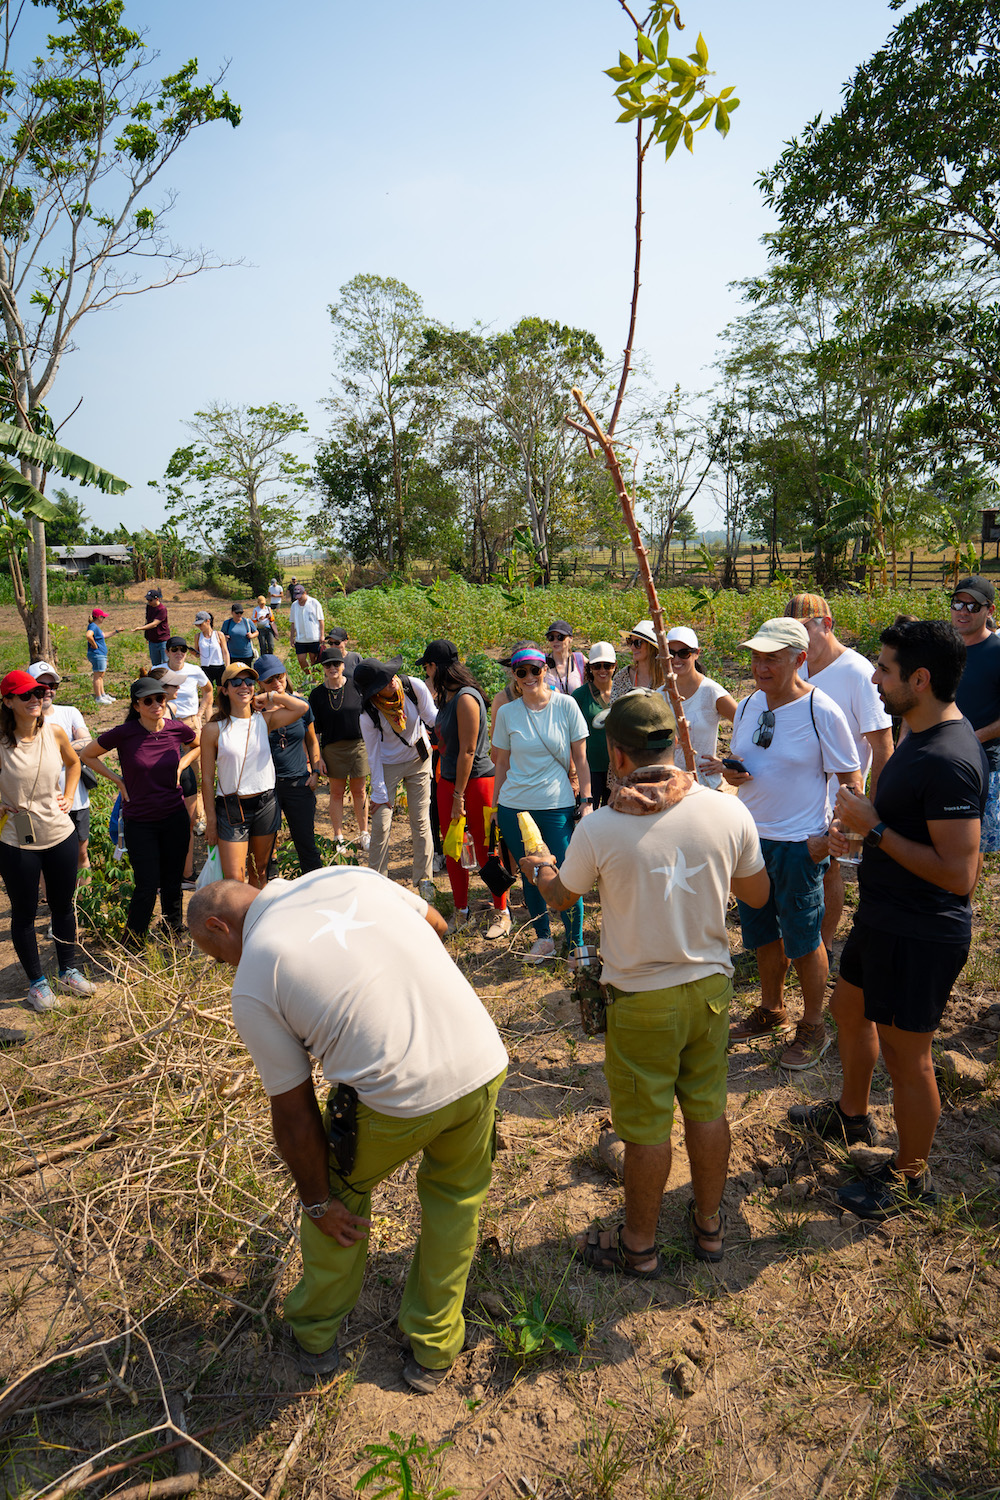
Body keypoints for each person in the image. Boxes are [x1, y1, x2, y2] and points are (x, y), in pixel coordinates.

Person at [187, 869, 507, 1391]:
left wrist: (316, 1200)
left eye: (219, 958)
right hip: (481, 1060)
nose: (228, 968)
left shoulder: (255, 977)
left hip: (399, 1093)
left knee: (337, 1197)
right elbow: (438, 924)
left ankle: (315, 1336)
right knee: (455, 1201)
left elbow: (294, 1113)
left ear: (219, 927)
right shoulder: (347, 875)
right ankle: (434, 1347)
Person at [521, 690, 768, 1270]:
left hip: (640, 999)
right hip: (710, 991)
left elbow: (561, 898)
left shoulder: (600, 829)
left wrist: (541, 868)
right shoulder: (727, 812)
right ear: (674, 744)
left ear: (617, 755)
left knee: (647, 1128)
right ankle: (710, 1228)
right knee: (707, 1110)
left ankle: (639, 1246)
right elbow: (757, 895)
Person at [790, 620, 986, 1220]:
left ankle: (909, 1179)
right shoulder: (914, 734)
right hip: (884, 916)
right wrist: (860, 831)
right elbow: (903, 825)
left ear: (919, 680)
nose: (873, 678)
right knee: (849, 1011)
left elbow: (960, 874)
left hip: (920, 931)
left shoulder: (949, 759)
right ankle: (851, 1115)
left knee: (908, 1060)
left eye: (884, 669)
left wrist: (874, 829)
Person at [723, 618, 861, 1071]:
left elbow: (852, 780)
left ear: (799, 659)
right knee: (762, 933)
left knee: (803, 939)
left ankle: (814, 1024)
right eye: (756, 658)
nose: (760, 668)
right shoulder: (747, 705)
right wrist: (734, 774)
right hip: (750, 842)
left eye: (772, 659)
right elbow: (746, 762)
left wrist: (833, 839)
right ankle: (772, 1010)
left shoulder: (822, 710)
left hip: (798, 845)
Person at [786, 594, 894, 955]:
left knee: (832, 867)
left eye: (804, 629)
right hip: (800, 796)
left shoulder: (857, 672)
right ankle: (798, 944)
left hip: (844, 797)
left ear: (827, 625)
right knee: (800, 865)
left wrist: (871, 809)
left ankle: (826, 945)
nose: (798, 640)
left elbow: (882, 746)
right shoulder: (797, 666)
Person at [0, 669, 94, 1010]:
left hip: (59, 832)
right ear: (8, 702)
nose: (35, 699)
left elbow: (74, 763)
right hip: (17, 840)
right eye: (26, 695)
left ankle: (68, 970)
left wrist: (69, 795)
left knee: (63, 905)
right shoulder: (1, 742)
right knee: (25, 913)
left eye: (38, 693)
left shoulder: (54, 732)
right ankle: (37, 984)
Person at [491, 643, 591, 962]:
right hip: (514, 805)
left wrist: (587, 799)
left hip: (556, 803)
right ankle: (543, 938)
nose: (529, 677)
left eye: (535, 670)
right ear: (515, 676)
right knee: (530, 873)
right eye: (521, 672)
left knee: (566, 873)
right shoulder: (507, 712)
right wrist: (495, 806)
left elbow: (581, 759)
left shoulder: (566, 705)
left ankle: (575, 944)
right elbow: (501, 763)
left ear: (545, 670)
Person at [81, 676, 198, 946]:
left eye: (160, 698)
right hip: (140, 821)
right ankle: (133, 942)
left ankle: (173, 931)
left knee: (172, 880)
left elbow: (198, 744)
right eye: (148, 701)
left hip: (174, 816)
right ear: (136, 706)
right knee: (146, 885)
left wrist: (182, 765)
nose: (156, 704)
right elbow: (87, 755)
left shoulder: (176, 729)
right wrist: (118, 780)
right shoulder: (125, 733)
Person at [419, 638, 510, 939]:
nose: (426, 673)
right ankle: (461, 911)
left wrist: (458, 795)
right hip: (450, 782)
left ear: (435, 666)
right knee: (453, 848)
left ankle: (502, 911)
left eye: (427, 667)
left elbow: (469, 751)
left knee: (486, 849)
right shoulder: (447, 696)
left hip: (475, 783)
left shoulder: (466, 698)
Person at [200, 664, 309, 887]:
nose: (244, 686)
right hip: (231, 807)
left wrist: (269, 696)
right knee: (234, 878)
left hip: (265, 804)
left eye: (249, 682)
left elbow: (301, 708)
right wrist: (211, 820)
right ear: (224, 689)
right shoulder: (213, 729)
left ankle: (257, 910)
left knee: (260, 871)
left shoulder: (264, 720)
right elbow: (207, 780)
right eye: (236, 682)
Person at [356, 657, 438, 900]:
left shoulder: (413, 688)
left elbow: (433, 719)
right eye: (383, 681)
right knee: (381, 824)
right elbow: (373, 755)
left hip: (418, 759)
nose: (391, 680)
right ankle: (377, 881)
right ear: (373, 692)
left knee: (421, 821)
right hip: (387, 765)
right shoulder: (368, 714)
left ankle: (424, 880)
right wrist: (379, 792)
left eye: (390, 674)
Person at [950, 575, 1000, 883]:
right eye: (958, 604)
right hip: (936, 759)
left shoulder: (997, 652)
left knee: (971, 842)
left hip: (980, 764)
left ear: (989, 610)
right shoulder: (943, 648)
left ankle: (963, 906)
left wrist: (969, 739)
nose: (963, 612)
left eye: (973, 606)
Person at [255, 654, 324, 875]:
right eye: (270, 680)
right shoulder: (255, 711)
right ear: (260, 684)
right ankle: (268, 888)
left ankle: (315, 886)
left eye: (280, 676)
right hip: (267, 787)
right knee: (265, 849)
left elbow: (312, 740)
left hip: (298, 783)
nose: (277, 683)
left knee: (306, 844)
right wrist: (269, 699)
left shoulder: (300, 705)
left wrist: (315, 771)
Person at [26, 661, 92, 869]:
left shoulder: (70, 712)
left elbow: (87, 743)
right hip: (31, 805)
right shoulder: (20, 721)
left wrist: (50, 751)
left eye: (52, 686)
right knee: (35, 855)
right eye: (40, 686)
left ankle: (81, 891)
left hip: (74, 800)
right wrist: (69, 750)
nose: (47, 691)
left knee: (81, 853)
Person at [149, 667, 208, 890]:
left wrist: (183, 763)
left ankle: (188, 874)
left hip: (184, 777)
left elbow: (197, 744)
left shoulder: (173, 710)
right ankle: (161, 876)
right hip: (158, 781)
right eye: (173, 684)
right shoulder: (144, 720)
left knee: (188, 824)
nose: (179, 687)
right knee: (161, 826)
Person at [309, 648, 369, 850]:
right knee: (336, 793)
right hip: (333, 748)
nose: (332, 668)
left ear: (343, 665)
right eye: (328, 665)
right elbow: (315, 731)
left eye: (336, 664)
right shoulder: (317, 694)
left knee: (360, 790)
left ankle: (364, 832)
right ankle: (338, 836)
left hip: (358, 745)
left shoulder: (356, 686)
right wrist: (318, 757)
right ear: (323, 668)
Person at [664, 627, 738, 790]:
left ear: (696, 653)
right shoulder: (660, 695)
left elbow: (746, 723)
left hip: (706, 787)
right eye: (671, 653)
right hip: (672, 789)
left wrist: (727, 763)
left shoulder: (711, 692)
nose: (676, 659)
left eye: (684, 653)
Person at [572, 643, 617, 807]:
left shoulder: (622, 692)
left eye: (607, 665)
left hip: (617, 768)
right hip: (589, 769)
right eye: (597, 666)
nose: (602, 670)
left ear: (615, 666)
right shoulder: (580, 696)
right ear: (590, 668)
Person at [611, 619, 667, 701]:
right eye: (630, 641)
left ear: (651, 646)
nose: (632, 647)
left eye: (638, 643)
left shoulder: (667, 678)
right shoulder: (622, 677)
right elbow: (613, 707)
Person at [544, 620, 586, 695]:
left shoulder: (580, 660)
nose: (555, 641)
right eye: (551, 637)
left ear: (570, 639)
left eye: (560, 637)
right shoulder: (542, 662)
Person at [289, 582, 325, 670]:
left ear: (305, 593)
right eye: (296, 597)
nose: (298, 599)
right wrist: (291, 637)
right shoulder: (294, 605)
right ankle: (308, 675)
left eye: (300, 596)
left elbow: (321, 620)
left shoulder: (314, 603)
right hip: (300, 638)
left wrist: (322, 635)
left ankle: (314, 677)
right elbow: (293, 622)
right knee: (301, 660)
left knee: (314, 660)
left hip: (313, 637)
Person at [191, 610, 229, 687]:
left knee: (221, 691)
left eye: (201, 624)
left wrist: (228, 667)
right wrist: (193, 653)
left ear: (208, 621)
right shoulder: (197, 636)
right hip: (205, 667)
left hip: (219, 666)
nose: (199, 627)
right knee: (208, 691)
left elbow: (225, 652)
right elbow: (198, 654)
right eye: (197, 625)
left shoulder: (219, 635)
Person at [86, 607, 115, 705]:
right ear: (98, 617)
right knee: (98, 676)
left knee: (101, 676)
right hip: (97, 654)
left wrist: (116, 631)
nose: (103, 619)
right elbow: (88, 635)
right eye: (103, 617)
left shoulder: (95, 627)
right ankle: (99, 697)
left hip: (100, 654)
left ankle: (103, 694)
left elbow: (104, 635)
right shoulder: (93, 626)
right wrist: (94, 645)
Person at [139, 587, 170, 667]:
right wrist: (147, 635)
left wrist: (140, 628)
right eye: (147, 600)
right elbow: (148, 620)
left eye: (150, 600)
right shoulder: (149, 607)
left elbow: (154, 624)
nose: (148, 602)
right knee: (155, 665)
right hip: (152, 640)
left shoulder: (162, 609)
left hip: (162, 639)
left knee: (165, 663)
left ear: (157, 599)